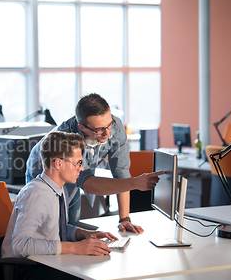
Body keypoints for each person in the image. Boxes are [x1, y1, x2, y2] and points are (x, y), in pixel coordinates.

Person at [2, 131, 117, 280]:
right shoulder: (37, 194)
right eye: (78, 163)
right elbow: (20, 246)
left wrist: (82, 234)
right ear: (57, 163)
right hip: (27, 273)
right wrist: (75, 248)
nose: (82, 168)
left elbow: (53, 228)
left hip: (48, 263)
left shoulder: (56, 188)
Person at [26, 93, 163, 233]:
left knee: (71, 225)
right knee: (51, 229)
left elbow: (121, 173)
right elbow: (87, 183)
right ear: (82, 127)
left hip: (75, 175)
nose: (107, 133)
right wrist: (135, 183)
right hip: (46, 174)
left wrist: (124, 219)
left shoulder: (115, 127)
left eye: (109, 124)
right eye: (99, 130)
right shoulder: (66, 139)